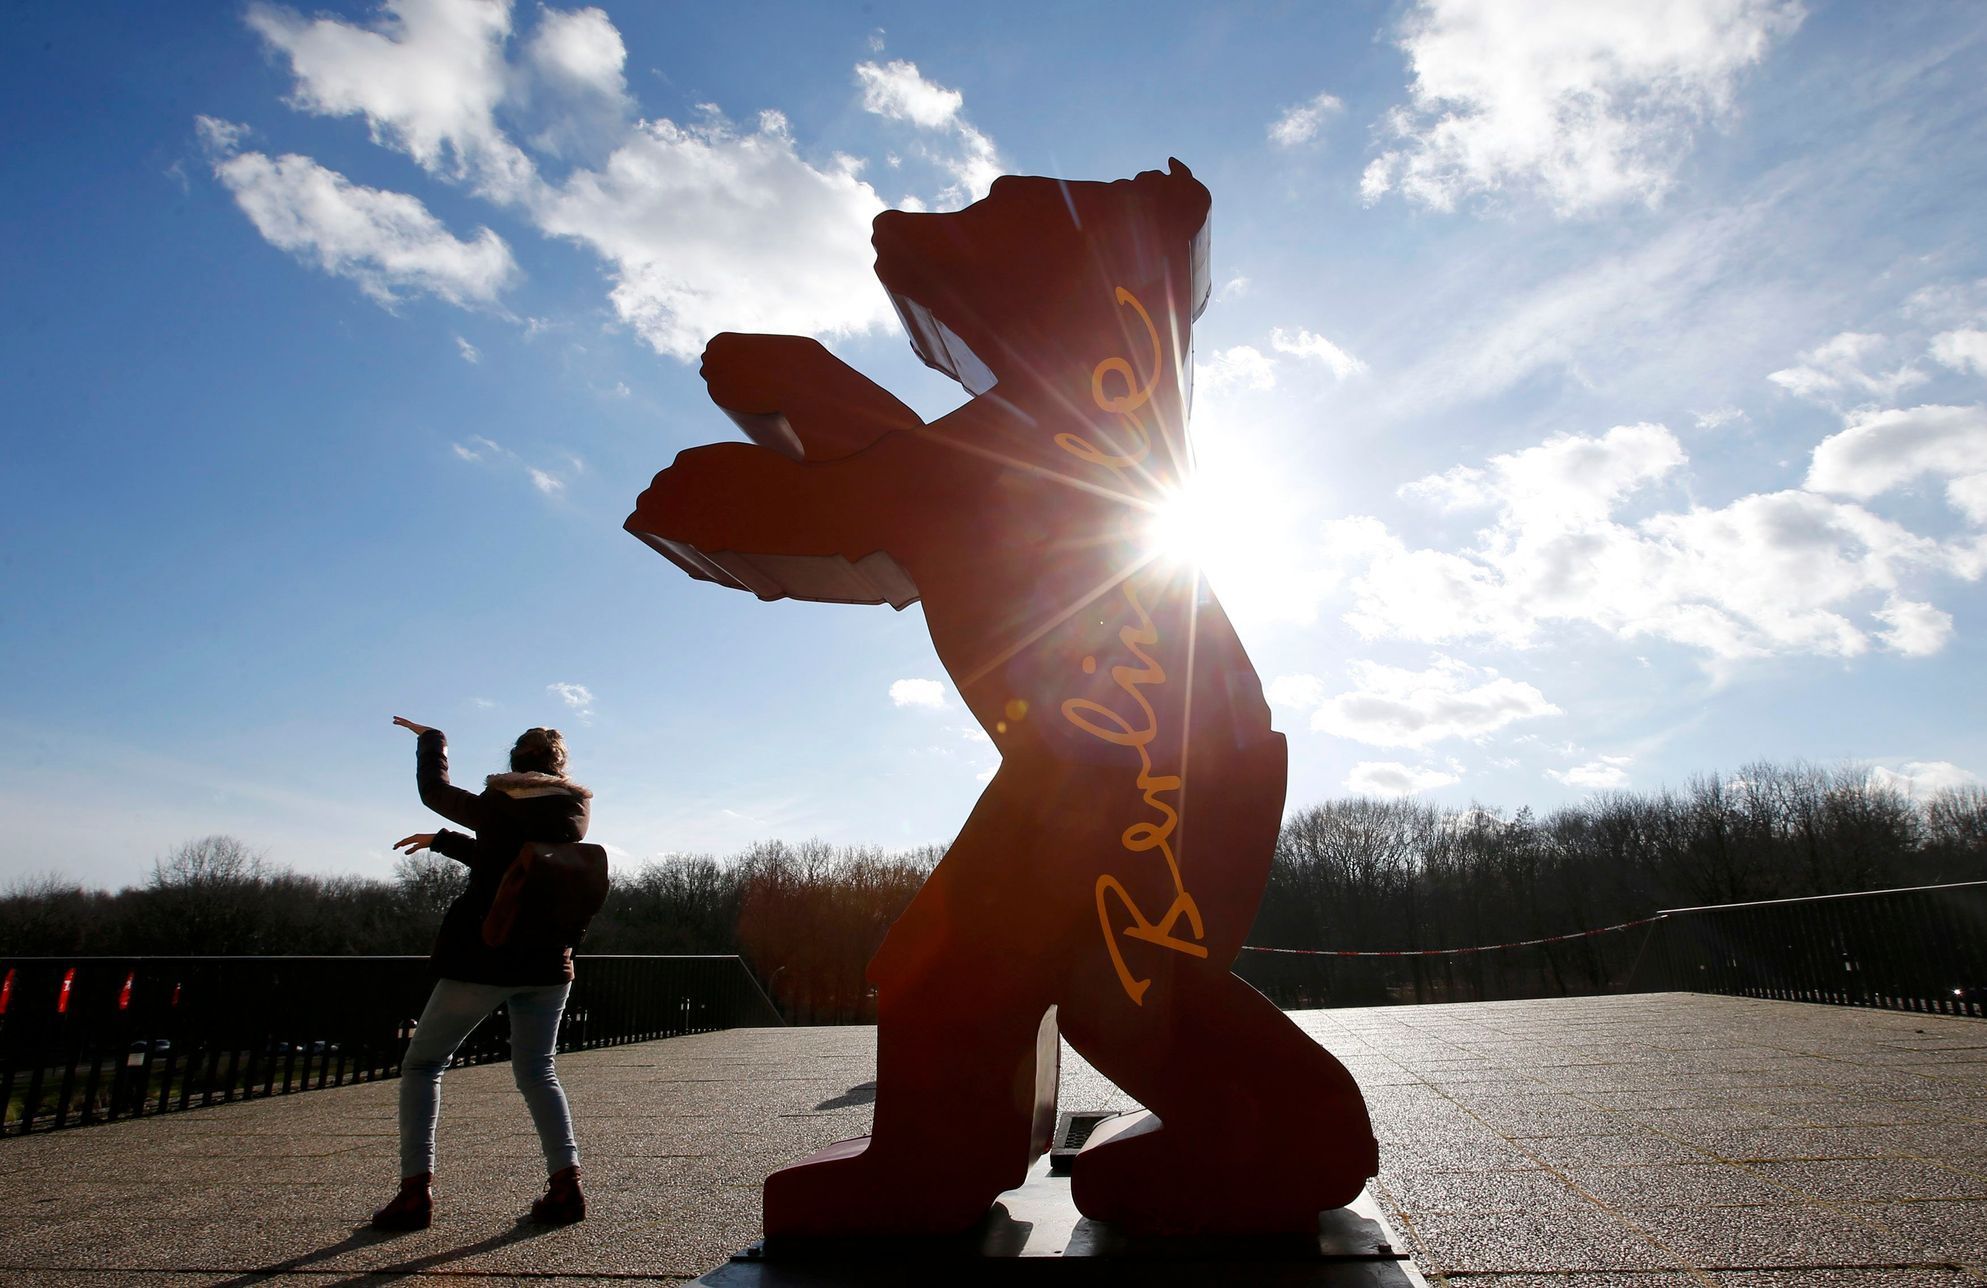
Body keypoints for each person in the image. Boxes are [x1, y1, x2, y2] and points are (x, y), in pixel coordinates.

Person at [371, 715, 594, 1231]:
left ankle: (415, 1195)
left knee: (424, 1065)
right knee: (539, 1071)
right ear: (559, 767)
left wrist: (431, 740)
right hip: (549, 963)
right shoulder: (574, 813)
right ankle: (567, 1186)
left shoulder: (499, 804)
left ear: (513, 762)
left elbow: (435, 790)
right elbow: (511, 861)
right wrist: (445, 841)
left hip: (485, 956)